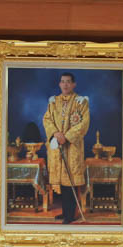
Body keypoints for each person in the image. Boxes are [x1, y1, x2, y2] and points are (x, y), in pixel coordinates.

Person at [42, 72, 89, 225]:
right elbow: (47, 119)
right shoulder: (53, 102)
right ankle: (65, 212)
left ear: (74, 84)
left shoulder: (81, 102)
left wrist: (66, 137)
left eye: (68, 82)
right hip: (57, 146)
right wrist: (55, 134)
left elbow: (84, 124)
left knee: (70, 181)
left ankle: (71, 214)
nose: (65, 84)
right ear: (59, 84)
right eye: (63, 81)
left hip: (72, 147)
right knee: (62, 182)